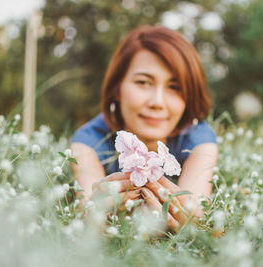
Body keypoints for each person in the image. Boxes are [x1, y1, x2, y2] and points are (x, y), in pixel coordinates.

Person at [70, 25, 218, 231]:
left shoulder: (199, 139)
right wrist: (94, 213)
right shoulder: (87, 141)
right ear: (117, 89)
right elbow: (87, 210)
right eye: (143, 82)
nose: (157, 102)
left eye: (174, 87)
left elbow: (196, 214)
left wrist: (186, 219)